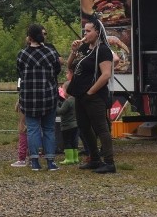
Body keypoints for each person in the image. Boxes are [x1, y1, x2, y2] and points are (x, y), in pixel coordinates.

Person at [66, 17, 116, 174]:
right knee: (83, 127)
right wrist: (74, 51)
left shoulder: (103, 50)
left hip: (94, 96)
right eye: (84, 31)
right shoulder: (84, 48)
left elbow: (106, 74)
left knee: (100, 127)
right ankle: (94, 158)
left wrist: (91, 91)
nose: (85, 34)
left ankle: (109, 162)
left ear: (97, 32)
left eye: (88, 31)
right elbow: (69, 66)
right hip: (80, 95)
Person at [17, 23, 61, 171]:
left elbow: (20, 73)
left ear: (29, 37)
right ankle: (50, 161)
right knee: (48, 129)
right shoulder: (50, 53)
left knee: (33, 129)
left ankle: (35, 161)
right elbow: (57, 70)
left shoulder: (22, 54)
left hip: (29, 98)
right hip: (48, 96)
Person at [57, 82, 79, 165]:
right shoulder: (76, 99)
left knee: (67, 142)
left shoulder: (68, 101)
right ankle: (75, 158)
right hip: (75, 125)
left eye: (63, 90)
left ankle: (69, 159)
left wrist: (56, 106)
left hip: (67, 126)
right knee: (74, 141)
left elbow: (61, 111)